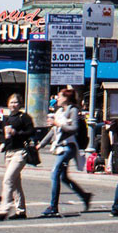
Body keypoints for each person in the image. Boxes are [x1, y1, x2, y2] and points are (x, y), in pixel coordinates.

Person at [38, 88, 91, 217]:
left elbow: (74, 128)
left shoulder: (72, 110)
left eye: (60, 96)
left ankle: (53, 206)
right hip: (61, 146)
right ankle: (84, 196)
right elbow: (53, 131)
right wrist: (40, 145)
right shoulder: (59, 111)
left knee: (55, 173)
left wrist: (58, 124)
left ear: (66, 98)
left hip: (68, 147)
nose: (57, 99)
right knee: (63, 177)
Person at [0, 93, 34, 221]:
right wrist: (3, 144)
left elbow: (31, 132)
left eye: (16, 102)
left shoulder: (24, 117)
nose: (13, 105)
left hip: (20, 152)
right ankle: (21, 211)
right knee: (15, 182)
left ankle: (3, 210)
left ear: (20, 104)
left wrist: (17, 133)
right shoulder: (7, 118)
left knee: (7, 180)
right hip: (9, 153)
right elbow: (6, 137)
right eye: (11, 102)